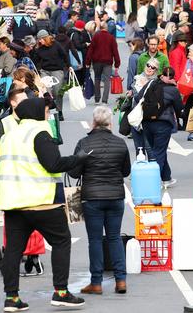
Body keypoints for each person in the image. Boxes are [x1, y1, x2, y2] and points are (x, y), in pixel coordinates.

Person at [0, 98, 88, 311]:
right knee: (61, 241)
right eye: (46, 112)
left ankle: (11, 297)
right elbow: (53, 164)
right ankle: (61, 292)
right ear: (38, 113)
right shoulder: (40, 134)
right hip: (41, 202)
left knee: (13, 250)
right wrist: (77, 159)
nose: (48, 116)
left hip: (14, 203)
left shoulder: (8, 136)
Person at [68, 106, 131, 295]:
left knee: (95, 240)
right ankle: (121, 280)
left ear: (93, 122)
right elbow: (126, 171)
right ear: (110, 123)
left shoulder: (84, 143)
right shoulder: (120, 143)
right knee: (114, 237)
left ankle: (96, 282)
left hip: (92, 198)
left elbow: (74, 171)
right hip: (115, 196)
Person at [136, 67, 183, 187]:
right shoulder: (173, 90)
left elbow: (137, 98)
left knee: (158, 150)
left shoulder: (151, 83)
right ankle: (153, 182)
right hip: (163, 124)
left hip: (146, 122)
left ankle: (166, 178)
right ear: (172, 78)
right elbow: (179, 108)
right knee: (159, 152)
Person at [33, 30, 71, 119]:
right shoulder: (39, 48)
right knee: (46, 91)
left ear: (46, 38)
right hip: (45, 70)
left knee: (58, 91)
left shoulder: (56, 45)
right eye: (39, 39)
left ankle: (59, 110)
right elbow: (35, 60)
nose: (39, 41)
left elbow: (64, 55)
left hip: (57, 70)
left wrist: (69, 66)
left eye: (41, 39)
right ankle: (47, 111)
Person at [0, 86, 29, 162]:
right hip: (11, 170)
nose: (27, 103)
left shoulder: (32, 120)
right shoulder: (4, 123)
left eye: (27, 100)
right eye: (23, 100)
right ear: (13, 103)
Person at [86, 21, 121, 105]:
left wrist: (88, 61)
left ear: (100, 28)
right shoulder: (111, 37)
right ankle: (105, 100)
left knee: (97, 79)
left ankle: (97, 99)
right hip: (108, 62)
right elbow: (115, 51)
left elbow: (91, 50)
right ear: (107, 28)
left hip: (96, 61)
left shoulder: (95, 36)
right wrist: (117, 64)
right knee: (107, 80)